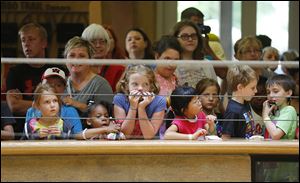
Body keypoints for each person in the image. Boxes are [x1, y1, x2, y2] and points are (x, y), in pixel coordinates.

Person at [5, 23, 67, 138]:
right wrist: (48, 104)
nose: (26, 44)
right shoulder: (14, 72)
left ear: (44, 43)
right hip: (23, 131)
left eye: (31, 39)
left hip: (56, 130)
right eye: (23, 40)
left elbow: (64, 102)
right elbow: (14, 105)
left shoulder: (57, 69)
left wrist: (29, 103)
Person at [25, 67, 83, 139]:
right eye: (48, 84)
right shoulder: (31, 111)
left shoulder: (71, 111)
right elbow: (26, 138)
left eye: (58, 85)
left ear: (64, 88)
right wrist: (36, 136)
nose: (53, 88)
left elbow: (78, 137)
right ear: (41, 85)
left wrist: (62, 136)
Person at [63, 36, 113, 117]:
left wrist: (78, 105)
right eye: (72, 55)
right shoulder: (60, 83)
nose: (76, 60)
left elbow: (107, 117)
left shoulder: (101, 84)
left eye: (81, 56)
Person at [113, 65, 166, 139]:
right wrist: (133, 107)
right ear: (126, 86)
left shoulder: (159, 101)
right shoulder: (119, 99)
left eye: (145, 84)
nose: (140, 88)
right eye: (135, 84)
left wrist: (141, 108)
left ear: (150, 87)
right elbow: (125, 134)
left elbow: (149, 136)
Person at [171, 20, 220, 88]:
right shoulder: (171, 64)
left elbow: (215, 91)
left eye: (193, 36)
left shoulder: (207, 64)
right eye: (185, 36)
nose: (190, 39)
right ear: (175, 39)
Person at [81, 24, 125, 92]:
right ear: (84, 45)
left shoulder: (118, 69)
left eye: (102, 42)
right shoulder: (78, 69)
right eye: (93, 42)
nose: (98, 45)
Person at [222, 65, 258, 140]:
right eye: (252, 88)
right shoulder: (232, 111)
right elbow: (225, 138)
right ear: (240, 87)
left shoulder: (246, 103)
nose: (256, 91)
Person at [262, 74, 297, 140]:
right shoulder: (274, 112)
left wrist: (265, 116)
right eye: (268, 92)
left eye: (275, 91)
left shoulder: (289, 110)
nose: (271, 95)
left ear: (288, 93)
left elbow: (275, 135)